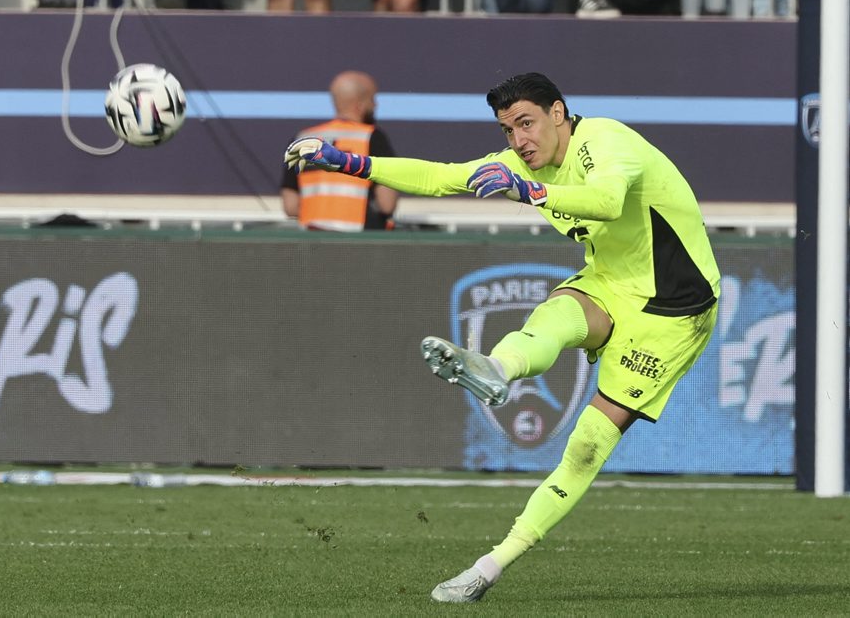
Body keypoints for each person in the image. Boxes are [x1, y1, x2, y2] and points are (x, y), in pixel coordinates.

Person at [284, 72, 720, 602]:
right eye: (508, 130)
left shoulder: (606, 141)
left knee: (586, 446)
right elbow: (441, 177)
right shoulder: (522, 163)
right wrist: (352, 164)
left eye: (526, 123)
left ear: (558, 112)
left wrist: (530, 190)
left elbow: (606, 200)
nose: (519, 140)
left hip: (675, 307)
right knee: (554, 316)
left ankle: (489, 567)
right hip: (609, 280)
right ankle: (496, 368)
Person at [281, 71, 399, 232]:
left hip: (312, 240)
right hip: (359, 239)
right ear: (359, 105)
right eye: (372, 99)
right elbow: (387, 204)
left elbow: (290, 206)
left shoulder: (303, 139)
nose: (375, 105)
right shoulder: (371, 137)